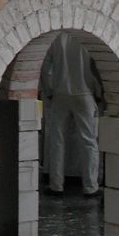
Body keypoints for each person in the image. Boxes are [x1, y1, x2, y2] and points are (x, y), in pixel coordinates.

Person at [40, 32, 100, 197]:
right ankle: (91, 186)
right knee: (89, 141)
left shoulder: (57, 37)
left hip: (60, 93)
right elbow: (97, 67)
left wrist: (49, 90)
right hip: (85, 94)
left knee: (57, 141)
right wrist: (98, 92)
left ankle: (56, 185)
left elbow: (45, 67)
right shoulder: (89, 37)